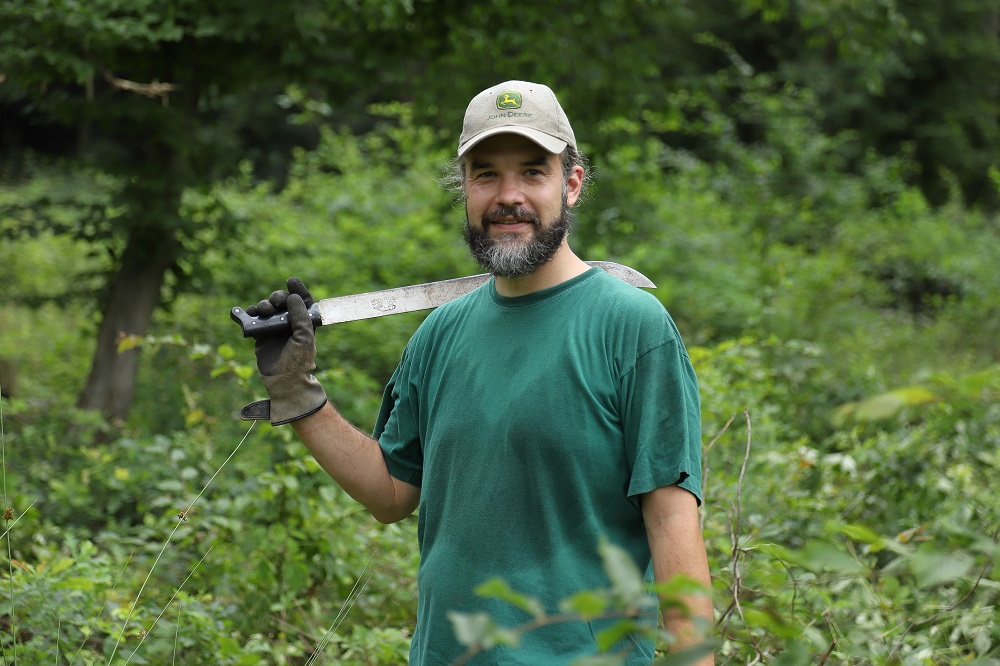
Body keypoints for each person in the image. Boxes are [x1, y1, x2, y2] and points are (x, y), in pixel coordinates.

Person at [242, 80, 713, 665]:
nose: (507, 195)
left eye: (533, 172)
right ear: (463, 187)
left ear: (571, 183)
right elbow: (391, 494)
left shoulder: (631, 327)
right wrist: (298, 394)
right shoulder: (439, 335)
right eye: (486, 173)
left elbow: (672, 520)